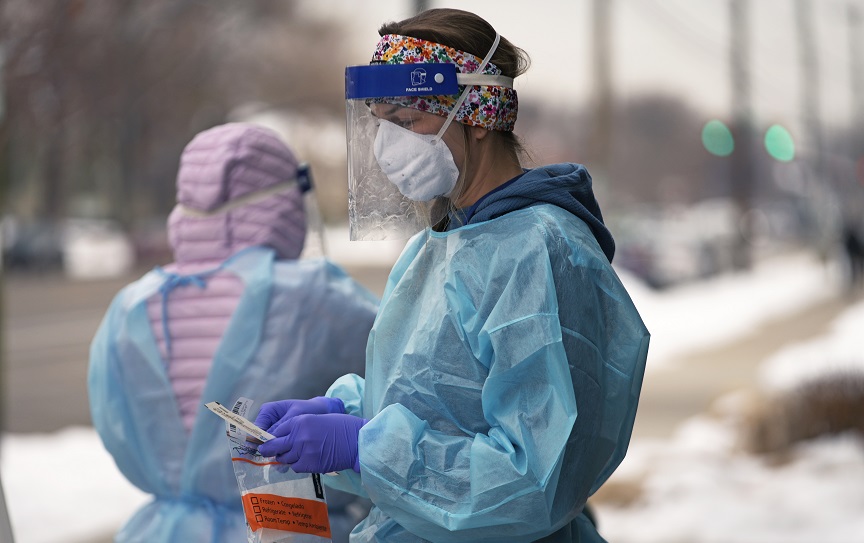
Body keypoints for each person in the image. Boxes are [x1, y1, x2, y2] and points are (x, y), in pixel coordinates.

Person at [254, 8, 649, 542]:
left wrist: (366, 446)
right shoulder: (441, 245)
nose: (387, 145)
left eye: (407, 121)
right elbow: (440, 397)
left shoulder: (538, 253)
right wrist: (348, 412)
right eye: (380, 120)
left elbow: (532, 480)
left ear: (480, 115)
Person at [88, 123, 379, 543]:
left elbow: (116, 429)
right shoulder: (317, 296)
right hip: (292, 529)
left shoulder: (130, 306)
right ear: (283, 204)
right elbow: (401, 386)